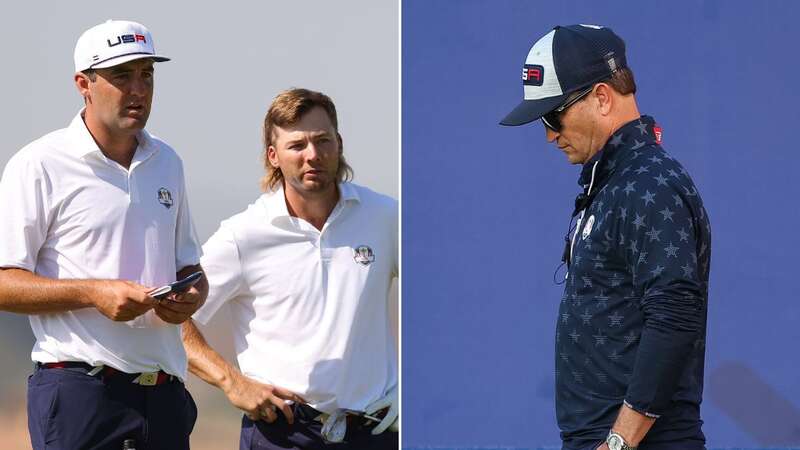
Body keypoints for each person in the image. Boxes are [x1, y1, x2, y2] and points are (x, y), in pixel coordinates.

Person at [500, 25, 711, 450]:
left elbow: (674, 316)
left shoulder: (649, 183)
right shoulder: (615, 181)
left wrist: (619, 442)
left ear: (600, 96)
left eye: (553, 114)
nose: (548, 134)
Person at [0, 20, 207, 450]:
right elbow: (4, 282)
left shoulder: (168, 161)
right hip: (80, 394)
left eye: (146, 74)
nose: (138, 89)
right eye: (121, 76)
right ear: (84, 84)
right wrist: (94, 292)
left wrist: (193, 293)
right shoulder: (39, 163)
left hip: (165, 396)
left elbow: (189, 264)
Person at [183, 88, 399, 450]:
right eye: (297, 145)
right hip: (281, 435)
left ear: (339, 144)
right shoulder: (243, 235)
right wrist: (231, 382)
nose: (312, 155)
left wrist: (419, 386)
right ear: (274, 156)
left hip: (373, 433)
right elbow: (171, 320)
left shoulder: (386, 217)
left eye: (322, 140)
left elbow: (444, 297)